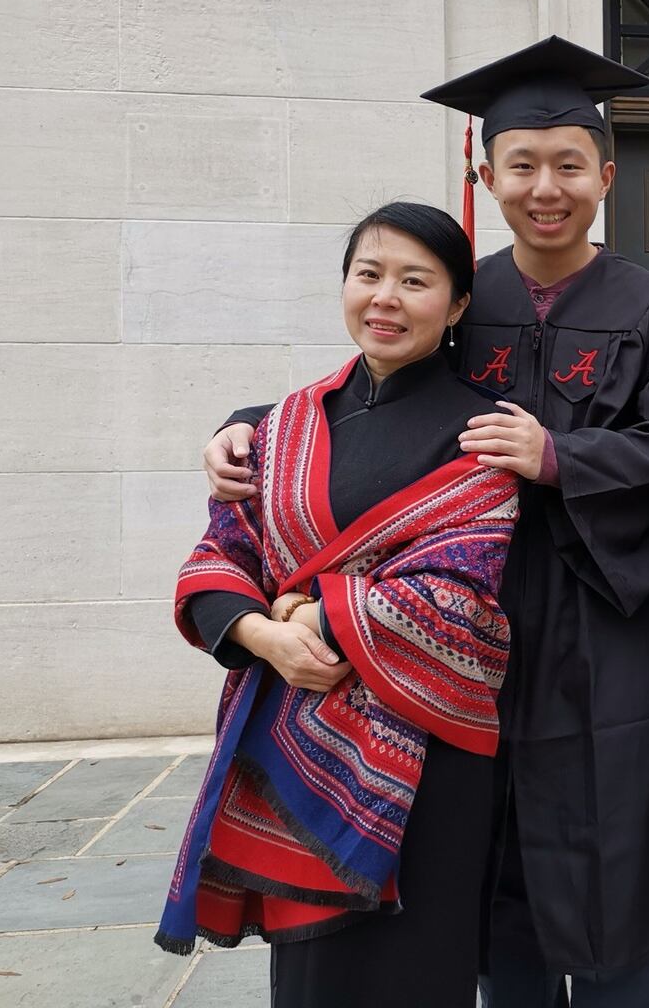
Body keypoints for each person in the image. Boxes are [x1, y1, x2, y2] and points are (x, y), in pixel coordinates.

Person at [203, 37, 649, 1007]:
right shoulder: (462, 291)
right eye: (522, 164)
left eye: (568, 164)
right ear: (485, 171)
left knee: (607, 892)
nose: (544, 186)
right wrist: (244, 426)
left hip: (602, 644)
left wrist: (560, 456)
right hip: (460, 644)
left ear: (606, 173)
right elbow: (373, 385)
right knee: (488, 885)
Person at [156, 202, 519, 1008]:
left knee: (418, 973)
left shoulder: (482, 435)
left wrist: (316, 614)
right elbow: (222, 552)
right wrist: (263, 633)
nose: (385, 297)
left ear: (458, 305)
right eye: (369, 274)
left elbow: (458, 593)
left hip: (428, 759)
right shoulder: (282, 424)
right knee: (313, 980)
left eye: (416, 281)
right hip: (297, 735)